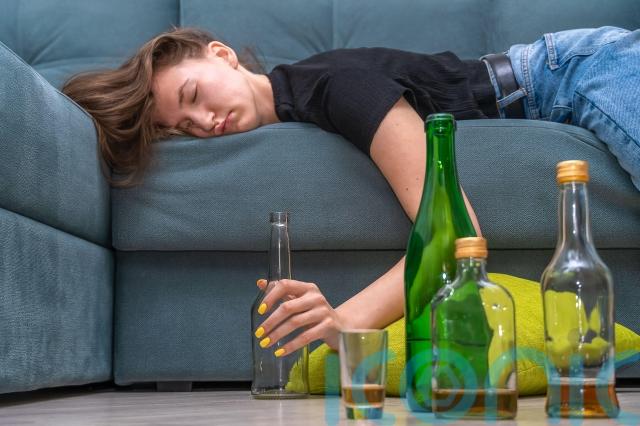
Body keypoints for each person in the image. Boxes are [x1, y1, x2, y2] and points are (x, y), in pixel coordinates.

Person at [63, 25, 639, 359]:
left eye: (193, 96)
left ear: (222, 54)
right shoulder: (300, 110)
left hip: (574, 72)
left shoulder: (336, 86)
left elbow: (455, 231)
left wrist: (343, 321)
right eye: (185, 128)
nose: (204, 122)